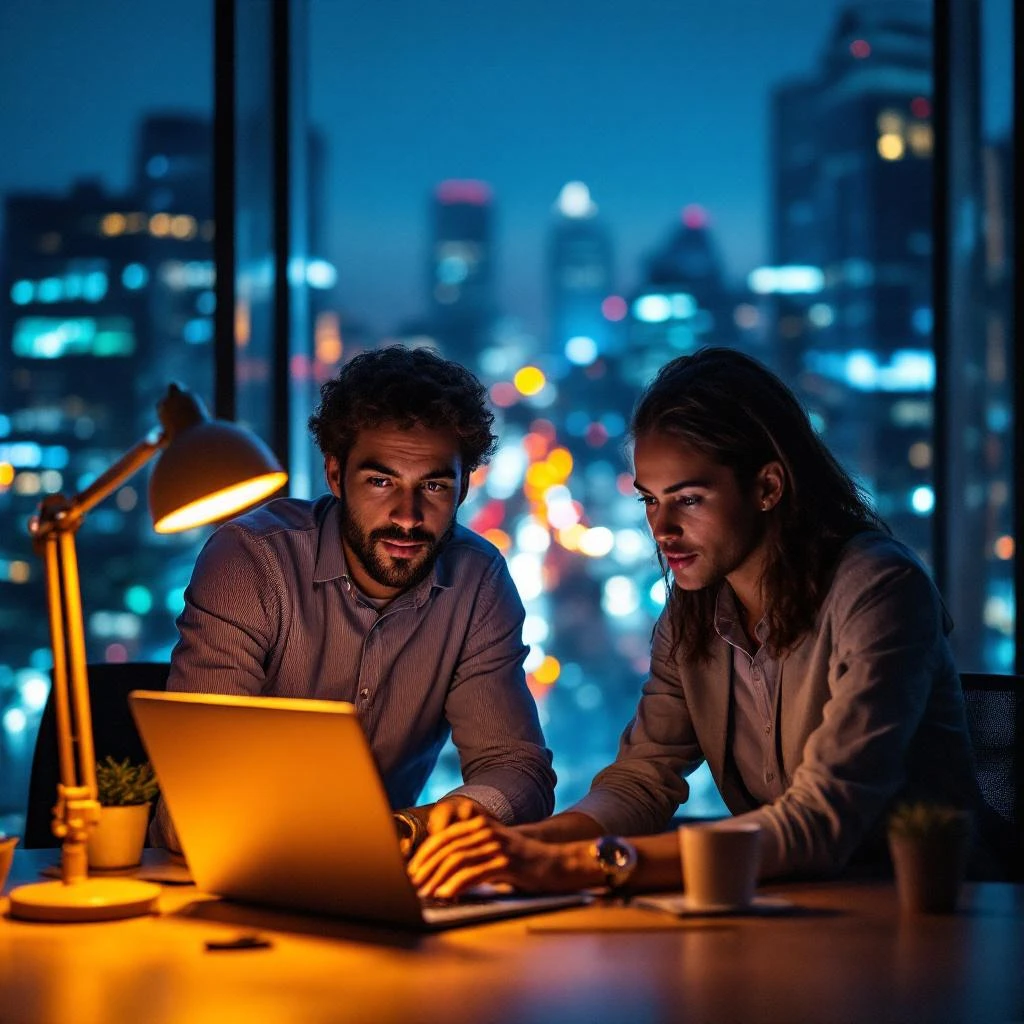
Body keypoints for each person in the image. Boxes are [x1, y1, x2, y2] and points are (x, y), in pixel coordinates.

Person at [409, 347, 976, 899]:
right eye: (650, 501)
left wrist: (569, 864)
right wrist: (518, 848)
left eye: (689, 499)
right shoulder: (693, 612)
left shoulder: (878, 591)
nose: (663, 528)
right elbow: (641, 782)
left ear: (767, 488)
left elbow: (819, 823)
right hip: (789, 913)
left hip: (935, 914)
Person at [153, 345, 555, 852]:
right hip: (227, 858)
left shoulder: (477, 580)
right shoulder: (251, 560)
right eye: (381, 481)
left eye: (432, 485)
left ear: (463, 488)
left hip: (381, 870)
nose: (407, 516)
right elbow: (195, 789)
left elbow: (518, 771)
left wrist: (410, 828)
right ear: (336, 476)